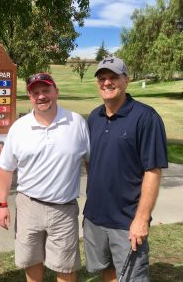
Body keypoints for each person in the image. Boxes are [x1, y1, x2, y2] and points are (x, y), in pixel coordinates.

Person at [0, 73, 90, 282]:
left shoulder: (76, 123)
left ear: (56, 92)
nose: (41, 96)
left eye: (46, 91)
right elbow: (6, 168)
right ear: (29, 97)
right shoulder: (19, 128)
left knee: (65, 267)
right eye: (35, 92)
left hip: (64, 209)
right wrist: (2, 204)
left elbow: (90, 163)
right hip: (29, 205)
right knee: (31, 262)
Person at [83, 57, 168, 281]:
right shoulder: (94, 117)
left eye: (113, 77)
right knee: (108, 272)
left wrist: (141, 219)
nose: (107, 83)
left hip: (127, 221)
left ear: (126, 81)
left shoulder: (145, 117)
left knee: (131, 277)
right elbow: (90, 162)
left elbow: (153, 171)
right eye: (102, 78)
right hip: (95, 217)